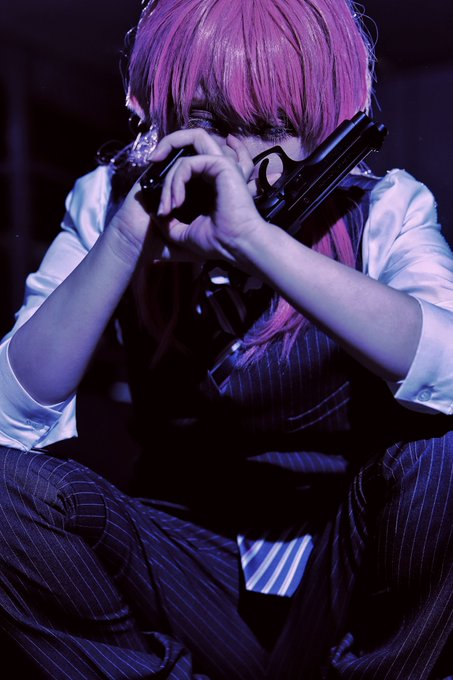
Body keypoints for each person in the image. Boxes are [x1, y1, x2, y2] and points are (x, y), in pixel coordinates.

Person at [0, 0, 452, 677]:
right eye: (205, 120)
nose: (228, 157)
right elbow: (9, 418)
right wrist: (127, 236)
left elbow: (449, 371)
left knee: (443, 449)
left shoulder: (383, 208)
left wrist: (255, 241)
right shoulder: (108, 200)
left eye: (267, 125)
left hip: (344, 571)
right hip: (181, 563)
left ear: (322, 127)